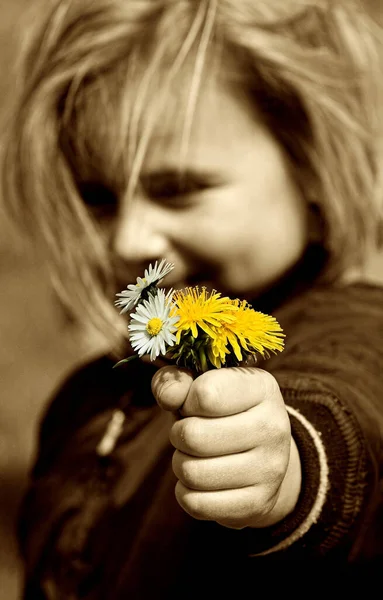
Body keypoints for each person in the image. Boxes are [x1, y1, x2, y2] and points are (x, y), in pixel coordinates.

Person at [1, 0, 383, 597]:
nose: (129, 241)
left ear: (312, 166)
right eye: (98, 197)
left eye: (178, 190)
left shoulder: (360, 329)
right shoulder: (87, 400)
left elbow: (350, 407)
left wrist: (285, 468)